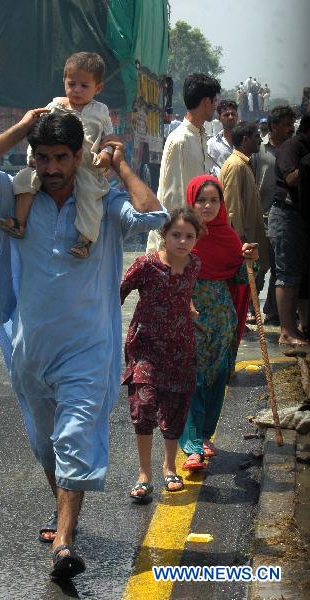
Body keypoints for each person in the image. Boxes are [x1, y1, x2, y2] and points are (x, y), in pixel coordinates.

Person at [0, 109, 168, 580]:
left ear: (79, 156)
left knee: (73, 438)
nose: (51, 168)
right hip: (31, 350)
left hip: (88, 351)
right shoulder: (19, 197)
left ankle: (66, 543)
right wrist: (20, 128)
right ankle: (63, 514)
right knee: (48, 448)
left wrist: (119, 166)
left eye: (61, 158)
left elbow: (154, 214)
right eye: (43, 157)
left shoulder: (103, 203)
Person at [0, 52, 114, 259]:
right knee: (24, 179)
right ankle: (19, 223)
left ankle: (84, 241)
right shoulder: (55, 106)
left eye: (84, 86)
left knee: (89, 196)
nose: (76, 90)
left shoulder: (101, 111)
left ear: (98, 88)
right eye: (71, 84)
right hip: (51, 161)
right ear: (64, 82)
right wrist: (33, 157)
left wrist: (106, 154)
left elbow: (109, 139)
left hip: (86, 165)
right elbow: (38, 133)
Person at [121, 207, 202, 499]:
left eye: (189, 236)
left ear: (196, 239)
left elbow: (184, 293)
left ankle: (170, 468)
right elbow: (117, 293)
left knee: (174, 409)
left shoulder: (195, 265)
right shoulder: (145, 265)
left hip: (181, 348)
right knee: (143, 407)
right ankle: (144, 474)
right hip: (145, 347)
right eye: (176, 235)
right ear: (163, 236)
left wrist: (189, 307)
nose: (182, 241)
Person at [178, 175, 258, 470]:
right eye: (201, 200)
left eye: (214, 200)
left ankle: (205, 435)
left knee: (216, 379)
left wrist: (250, 260)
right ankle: (192, 446)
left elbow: (239, 279)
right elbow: (169, 270)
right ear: (191, 201)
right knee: (193, 380)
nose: (208, 206)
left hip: (222, 320)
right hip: (191, 318)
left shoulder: (228, 236)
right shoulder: (182, 233)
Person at [146, 72, 221, 251]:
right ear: (206, 102)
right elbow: (174, 196)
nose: (217, 107)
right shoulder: (180, 140)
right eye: (216, 101)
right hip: (175, 241)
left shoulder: (201, 136)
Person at [268, 114, 310, 347]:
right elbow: (291, 178)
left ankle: (301, 325)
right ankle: (286, 331)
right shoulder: (292, 147)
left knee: (301, 274)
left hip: (300, 218)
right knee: (287, 274)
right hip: (287, 215)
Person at [252, 106, 296, 324]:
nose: (291, 129)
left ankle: (272, 310)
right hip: (262, 215)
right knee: (261, 265)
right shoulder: (259, 150)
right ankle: (252, 309)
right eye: (286, 124)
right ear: (273, 127)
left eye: (292, 124)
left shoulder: (293, 149)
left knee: (280, 267)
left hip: (285, 214)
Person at [219, 121, 269, 280]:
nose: (260, 140)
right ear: (246, 139)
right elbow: (232, 209)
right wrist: (239, 244)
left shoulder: (244, 164)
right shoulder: (236, 166)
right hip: (243, 247)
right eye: (256, 136)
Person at [207, 100, 238, 177]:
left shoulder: (246, 140)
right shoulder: (212, 144)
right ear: (219, 118)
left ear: (237, 116)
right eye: (226, 115)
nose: (231, 117)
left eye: (233, 114)